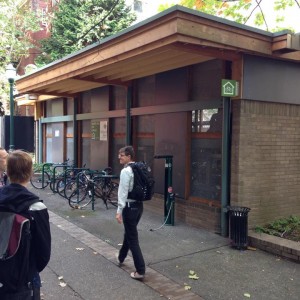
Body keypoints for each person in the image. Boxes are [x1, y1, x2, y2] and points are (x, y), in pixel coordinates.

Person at [0, 150, 51, 299]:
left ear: (7, 171)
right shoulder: (36, 207)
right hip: (25, 278)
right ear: (30, 172)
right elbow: (44, 253)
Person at [115, 145, 145, 280]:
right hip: (139, 207)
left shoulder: (126, 171)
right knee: (129, 232)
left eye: (122, 155)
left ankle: (140, 270)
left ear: (129, 157)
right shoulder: (138, 168)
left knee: (133, 239)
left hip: (129, 207)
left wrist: (119, 210)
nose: (119, 157)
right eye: (119, 154)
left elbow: (122, 192)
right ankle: (121, 257)